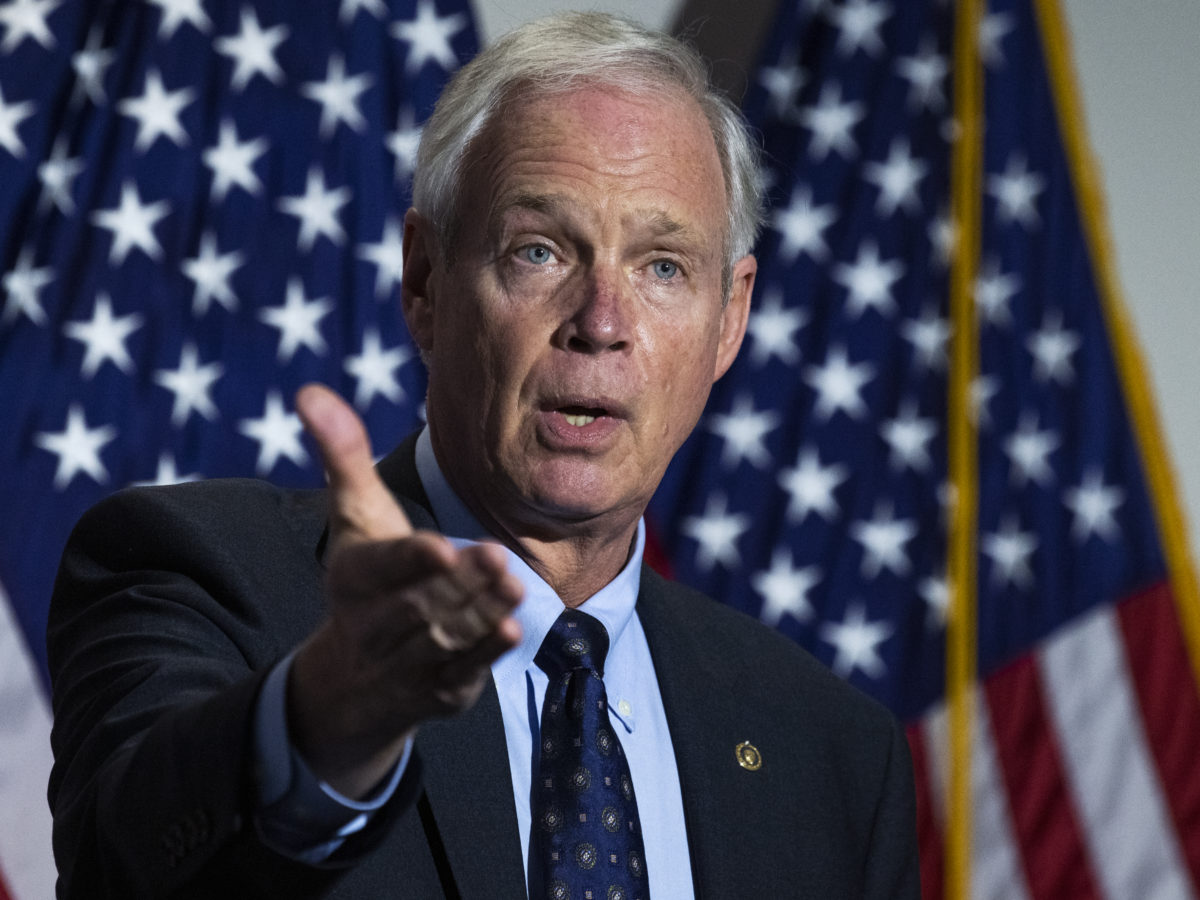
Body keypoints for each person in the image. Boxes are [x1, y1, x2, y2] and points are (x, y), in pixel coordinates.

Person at [47, 12, 920, 899]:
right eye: (539, 251)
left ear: (729, 320)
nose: (602, 324)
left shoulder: (837, 756)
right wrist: (332, 720)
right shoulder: (196, 574)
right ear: (425, 282)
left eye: (663, 267)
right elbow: (123, 867)